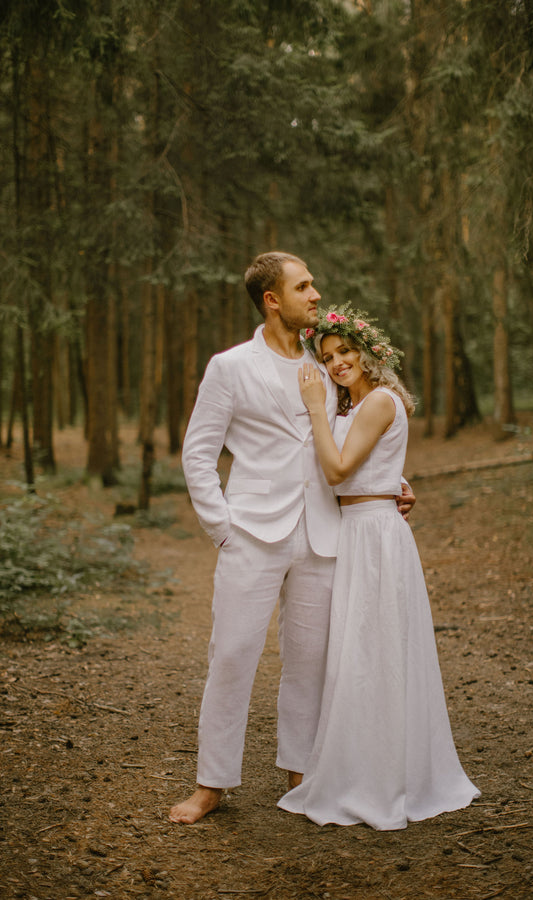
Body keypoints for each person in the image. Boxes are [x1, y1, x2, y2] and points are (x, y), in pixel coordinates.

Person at [168, 254, 415, 824]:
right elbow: (198, 453)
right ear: (272, 299)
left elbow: (352, 436)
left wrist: (392, 486)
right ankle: (211, 784)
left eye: (313, 283)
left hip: (326, 532)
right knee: (231, 655)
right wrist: (222, 528)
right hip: (252, 532)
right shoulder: (230, 367)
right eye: (303, 285)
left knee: (311, 660)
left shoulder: (326, 364)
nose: (315, 292)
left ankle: (301, 774)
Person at [278, 304, 480, 830]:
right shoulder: (358, 406)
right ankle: (365, 759)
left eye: (345, 351)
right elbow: (363, 467)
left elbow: (341, 468)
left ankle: (382, 773)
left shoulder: (377, 402)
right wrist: (397, 482)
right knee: (361, 652)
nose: (338, 361)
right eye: (328, 357)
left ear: (367, 352)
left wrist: (316, 407)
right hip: (361, 529)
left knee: (375, 652)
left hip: (373, 535)